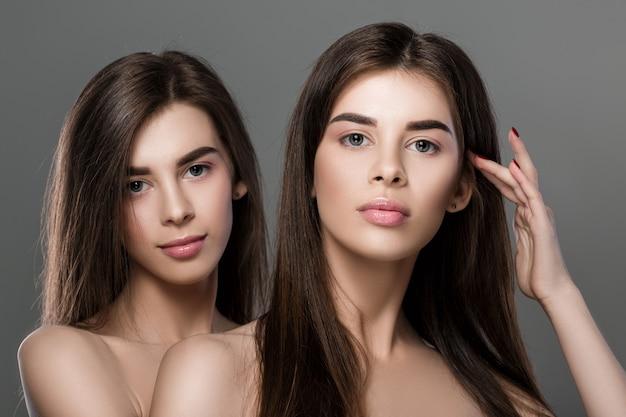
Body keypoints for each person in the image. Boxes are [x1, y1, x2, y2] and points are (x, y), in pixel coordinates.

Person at [150, 23, 626, 417]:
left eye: (423, 145)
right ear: (310, 172)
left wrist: (560, 294)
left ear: (461, 188)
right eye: (356, 139)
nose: (388, 169)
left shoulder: (501, 402)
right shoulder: (211, 374)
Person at [17, 51, 268, 417]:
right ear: (101, 206)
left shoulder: (283, 351)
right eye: (136, 185)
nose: (177, 211)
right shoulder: (63, 356)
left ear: (237, 176)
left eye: (196, 170)